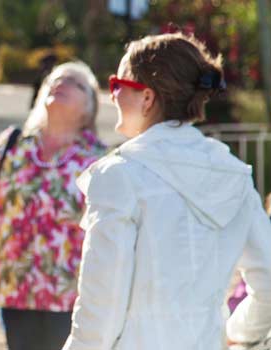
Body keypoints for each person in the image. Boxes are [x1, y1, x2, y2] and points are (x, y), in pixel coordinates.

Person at [62, 33, 271, 350]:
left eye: (118, 85)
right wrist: (239, 333)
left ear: (147, 98)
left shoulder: (120, 175)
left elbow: (101, 304)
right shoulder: (233, 174)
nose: (111, 96)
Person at [0, 61, 106, 350]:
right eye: (55, 79)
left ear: (89, 109)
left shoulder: (99, 160)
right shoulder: (13, 144)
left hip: (71, 292)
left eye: (74, 83)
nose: (61, 83)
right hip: (13, 286)